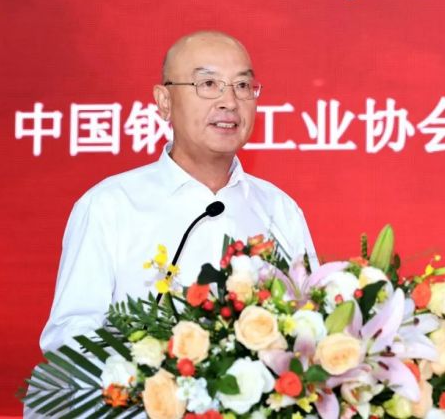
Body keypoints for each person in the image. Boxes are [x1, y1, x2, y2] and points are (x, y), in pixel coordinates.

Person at [39, 31, 318, 353]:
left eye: (242, 85)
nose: (230, 102)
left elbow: (311, 321)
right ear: (164, 102)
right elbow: (69, 337)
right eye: (208, 84)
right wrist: (147, 369)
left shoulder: (279, 210)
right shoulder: (109, 206)